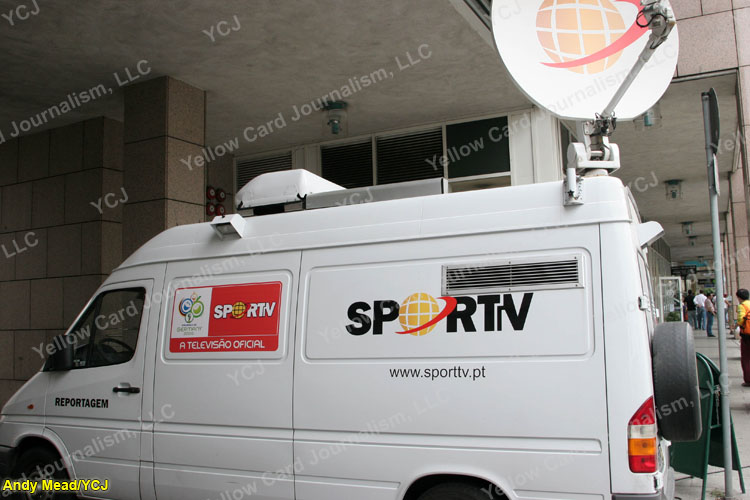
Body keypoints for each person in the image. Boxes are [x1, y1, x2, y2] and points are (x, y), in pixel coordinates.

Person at [735, 289, 750, 387]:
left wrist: (736, 325)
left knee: (746, 358)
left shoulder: (742, 306)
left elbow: (740, 320)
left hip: (747, 336)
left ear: (739, 297)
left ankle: (748, 380)